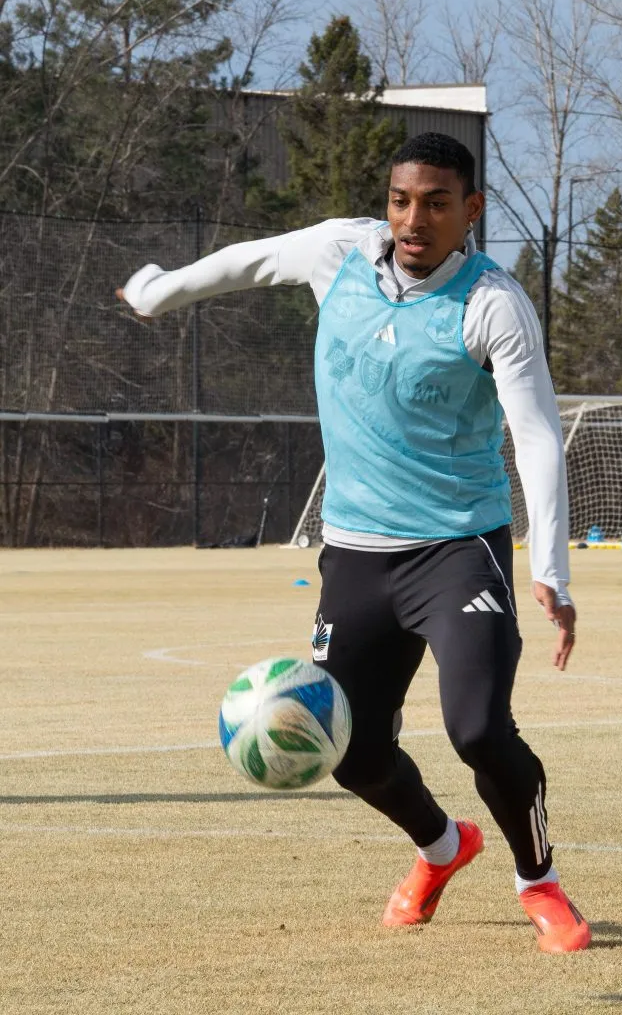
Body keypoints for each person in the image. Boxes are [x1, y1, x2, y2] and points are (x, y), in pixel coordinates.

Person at [117, 132, 590, 954]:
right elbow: (244, 262)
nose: (414, 219)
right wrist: (161, 292)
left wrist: (549, 563)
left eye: (437, 203)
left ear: (470, 211)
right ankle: (442, 848)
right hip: (356, 555)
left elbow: (537, 434)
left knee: (477, 729)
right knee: (349, 750)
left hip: (456, 550)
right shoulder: (339, 252)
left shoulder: (492, 304)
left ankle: (538, 882)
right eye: (402, 200)